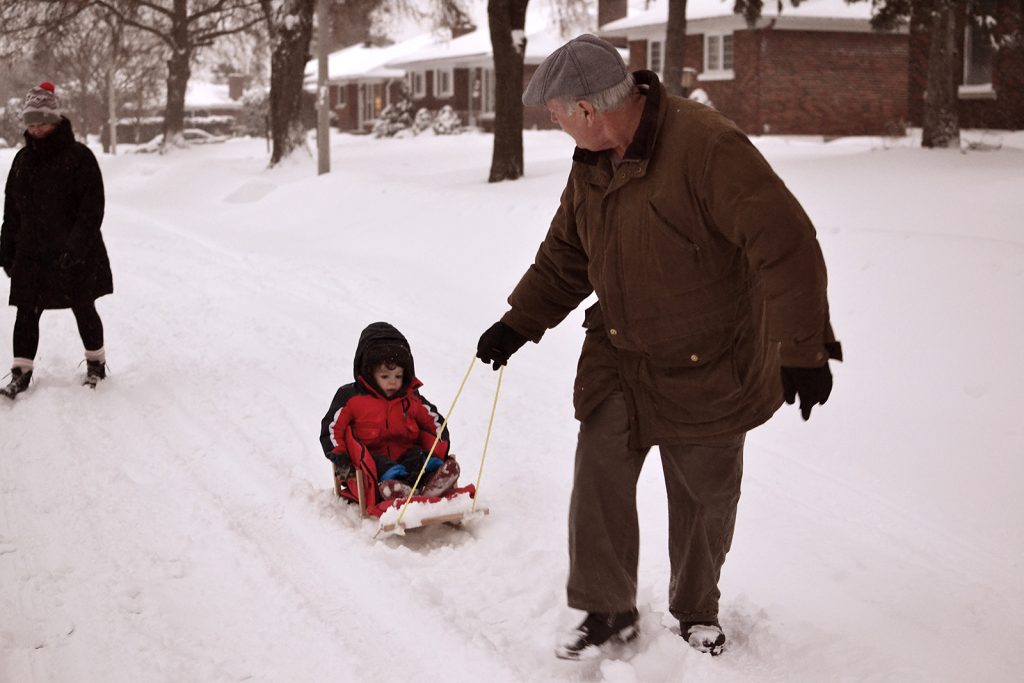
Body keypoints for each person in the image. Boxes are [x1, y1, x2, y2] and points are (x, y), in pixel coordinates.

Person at [475, 35, 842, 659]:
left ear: (589, 110)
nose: (556, 125)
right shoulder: (591, 161)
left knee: (704, 495)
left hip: (713, 357)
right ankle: (607, 608)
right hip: (621, 350)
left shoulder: (707, 148)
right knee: (598, 472)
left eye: (558, 113)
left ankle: (696, 609)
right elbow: (568, 251)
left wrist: (803, 349)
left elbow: (785, 243)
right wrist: (520, 321)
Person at [0, 82, 113, 398]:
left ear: (56, 120)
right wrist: (6, 246)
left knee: (83, 306)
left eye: (42, 123)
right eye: (31, 124)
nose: (36, 129)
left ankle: (95, 363)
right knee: (26, 311)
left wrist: (76, 247)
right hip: (32, 251)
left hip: (72, 251)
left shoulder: (79, 157)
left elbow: (92, 208)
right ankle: (20, 374)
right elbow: (12, 209)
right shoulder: (22, 160)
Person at [320, 322, 460, 505]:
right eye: (385, 376)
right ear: (370, 373)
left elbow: (433, 421)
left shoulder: (411, 398)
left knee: (420, 458)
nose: (393, 383)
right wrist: (340, 456)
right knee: (384, 467)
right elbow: (332, 429)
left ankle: (431, 482)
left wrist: (441, 441)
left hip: (405, 451)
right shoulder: (351, 398)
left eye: (398, 376)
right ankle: (394, 489)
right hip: (373, 459)